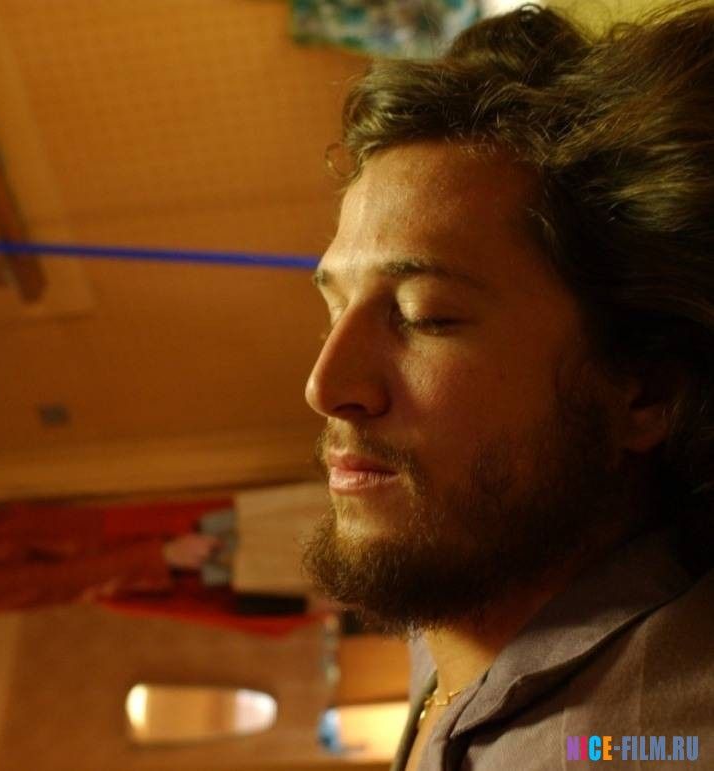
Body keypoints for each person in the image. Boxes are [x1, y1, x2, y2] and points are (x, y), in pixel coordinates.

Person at [300, 4, 713, 769]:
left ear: (642, 391)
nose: (325, 386)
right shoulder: (469, 576)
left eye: (425, 316)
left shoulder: (641, 742)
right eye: (334, 307)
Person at [0, 486, 316, 636]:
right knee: (286, 553)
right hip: (132, 560)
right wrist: (156, 556)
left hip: (130, 535)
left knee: (286, 527)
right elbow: (54, 581)